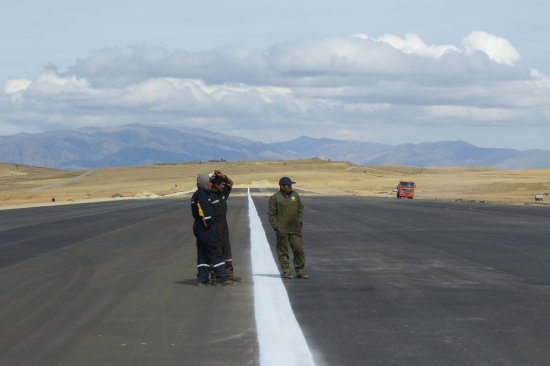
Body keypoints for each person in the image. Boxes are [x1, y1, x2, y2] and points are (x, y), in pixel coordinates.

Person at [190, 173, 233, 286]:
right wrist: (210, 227)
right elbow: (206, 216)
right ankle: (221, 278)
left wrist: (223, 176)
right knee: (215, 253)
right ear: (204, 183)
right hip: (206, 230)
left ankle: (202, 279)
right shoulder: (203, 195)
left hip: (199, 229)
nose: (210, 184)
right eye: (209, 182)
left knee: (202, 254)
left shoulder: (197, 195)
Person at [267, 176, 307, 279]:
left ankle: (300, 271)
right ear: (281, 186)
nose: (290, 187)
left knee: (299, 249)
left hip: (295, 228)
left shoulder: (295, 195)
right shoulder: (275, 198)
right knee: (283, 251)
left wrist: (299, 220)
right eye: (288, 185)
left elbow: (300, 208)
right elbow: (271, 214)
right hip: (282, 229)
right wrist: (276, 227)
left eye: (290, 185)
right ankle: (286, 271)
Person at [210, 170, 243, 282]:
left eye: (224, 184)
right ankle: (214, 275)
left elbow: (230, 184)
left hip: (224, 228)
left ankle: (229, 274)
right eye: (222, 184)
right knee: (216, 252)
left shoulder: (222, 195)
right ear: (215, 185)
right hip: (215, 229)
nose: (224, 186)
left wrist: (224, 177)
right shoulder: (210, 197)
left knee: (227, 252)